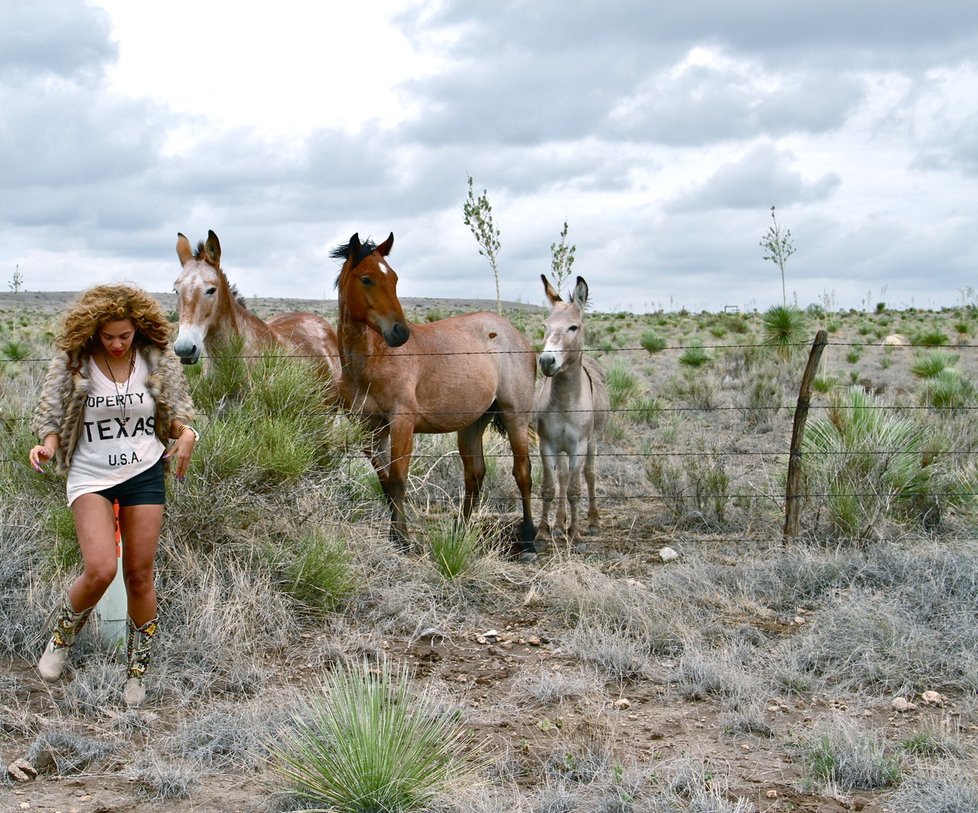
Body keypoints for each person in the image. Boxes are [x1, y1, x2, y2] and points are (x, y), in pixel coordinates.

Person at [28, 284, 198, 707]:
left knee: (140, 575)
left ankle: (137, 673)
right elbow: (50, 413)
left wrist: (188, 433)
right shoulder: (75, 361)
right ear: (93, 332)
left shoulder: (156, 358)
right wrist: (47, 445)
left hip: (143, 472)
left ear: (137, 329)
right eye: (109, 337)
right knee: (101, 568)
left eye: (125, 335)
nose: (118, 344)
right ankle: (60, 641)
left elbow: (177, 414)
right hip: (91, 475)